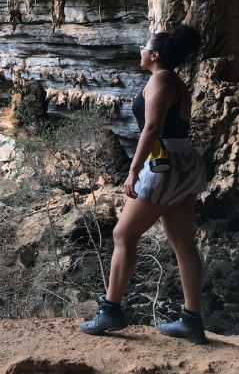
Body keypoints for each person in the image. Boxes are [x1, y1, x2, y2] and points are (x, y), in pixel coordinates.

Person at [79, 24, 208, 343]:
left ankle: (111, 310)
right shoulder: (176, 81)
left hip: (164, 163)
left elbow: (151, 129)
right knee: (183, 243)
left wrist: (133, 170)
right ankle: (192, 320)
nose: (139, 51)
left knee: (123, 233)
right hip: (185, 162)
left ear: (154, 54)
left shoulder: (161, 79)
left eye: (143, 46)